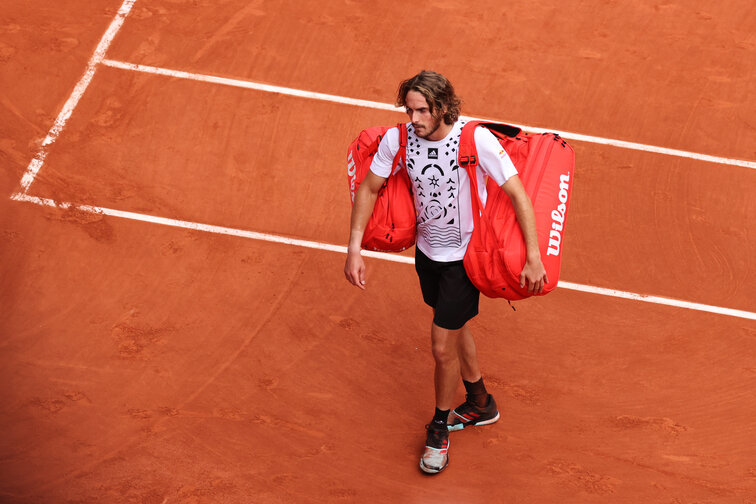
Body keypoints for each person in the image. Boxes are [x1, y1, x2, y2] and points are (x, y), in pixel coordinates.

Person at [344, 70, 547, 474]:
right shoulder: (397, 139)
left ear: (442, 107)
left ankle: (439, 427)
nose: (414, 118)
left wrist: (534, 255)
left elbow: (518, 193)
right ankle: (479, 403)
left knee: (440, 346)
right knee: (454, 328)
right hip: (427, 255)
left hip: (464, 259)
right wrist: (354, 247)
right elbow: (368, 188)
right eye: (409, 109)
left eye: (422, 110)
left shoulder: (476, 140)